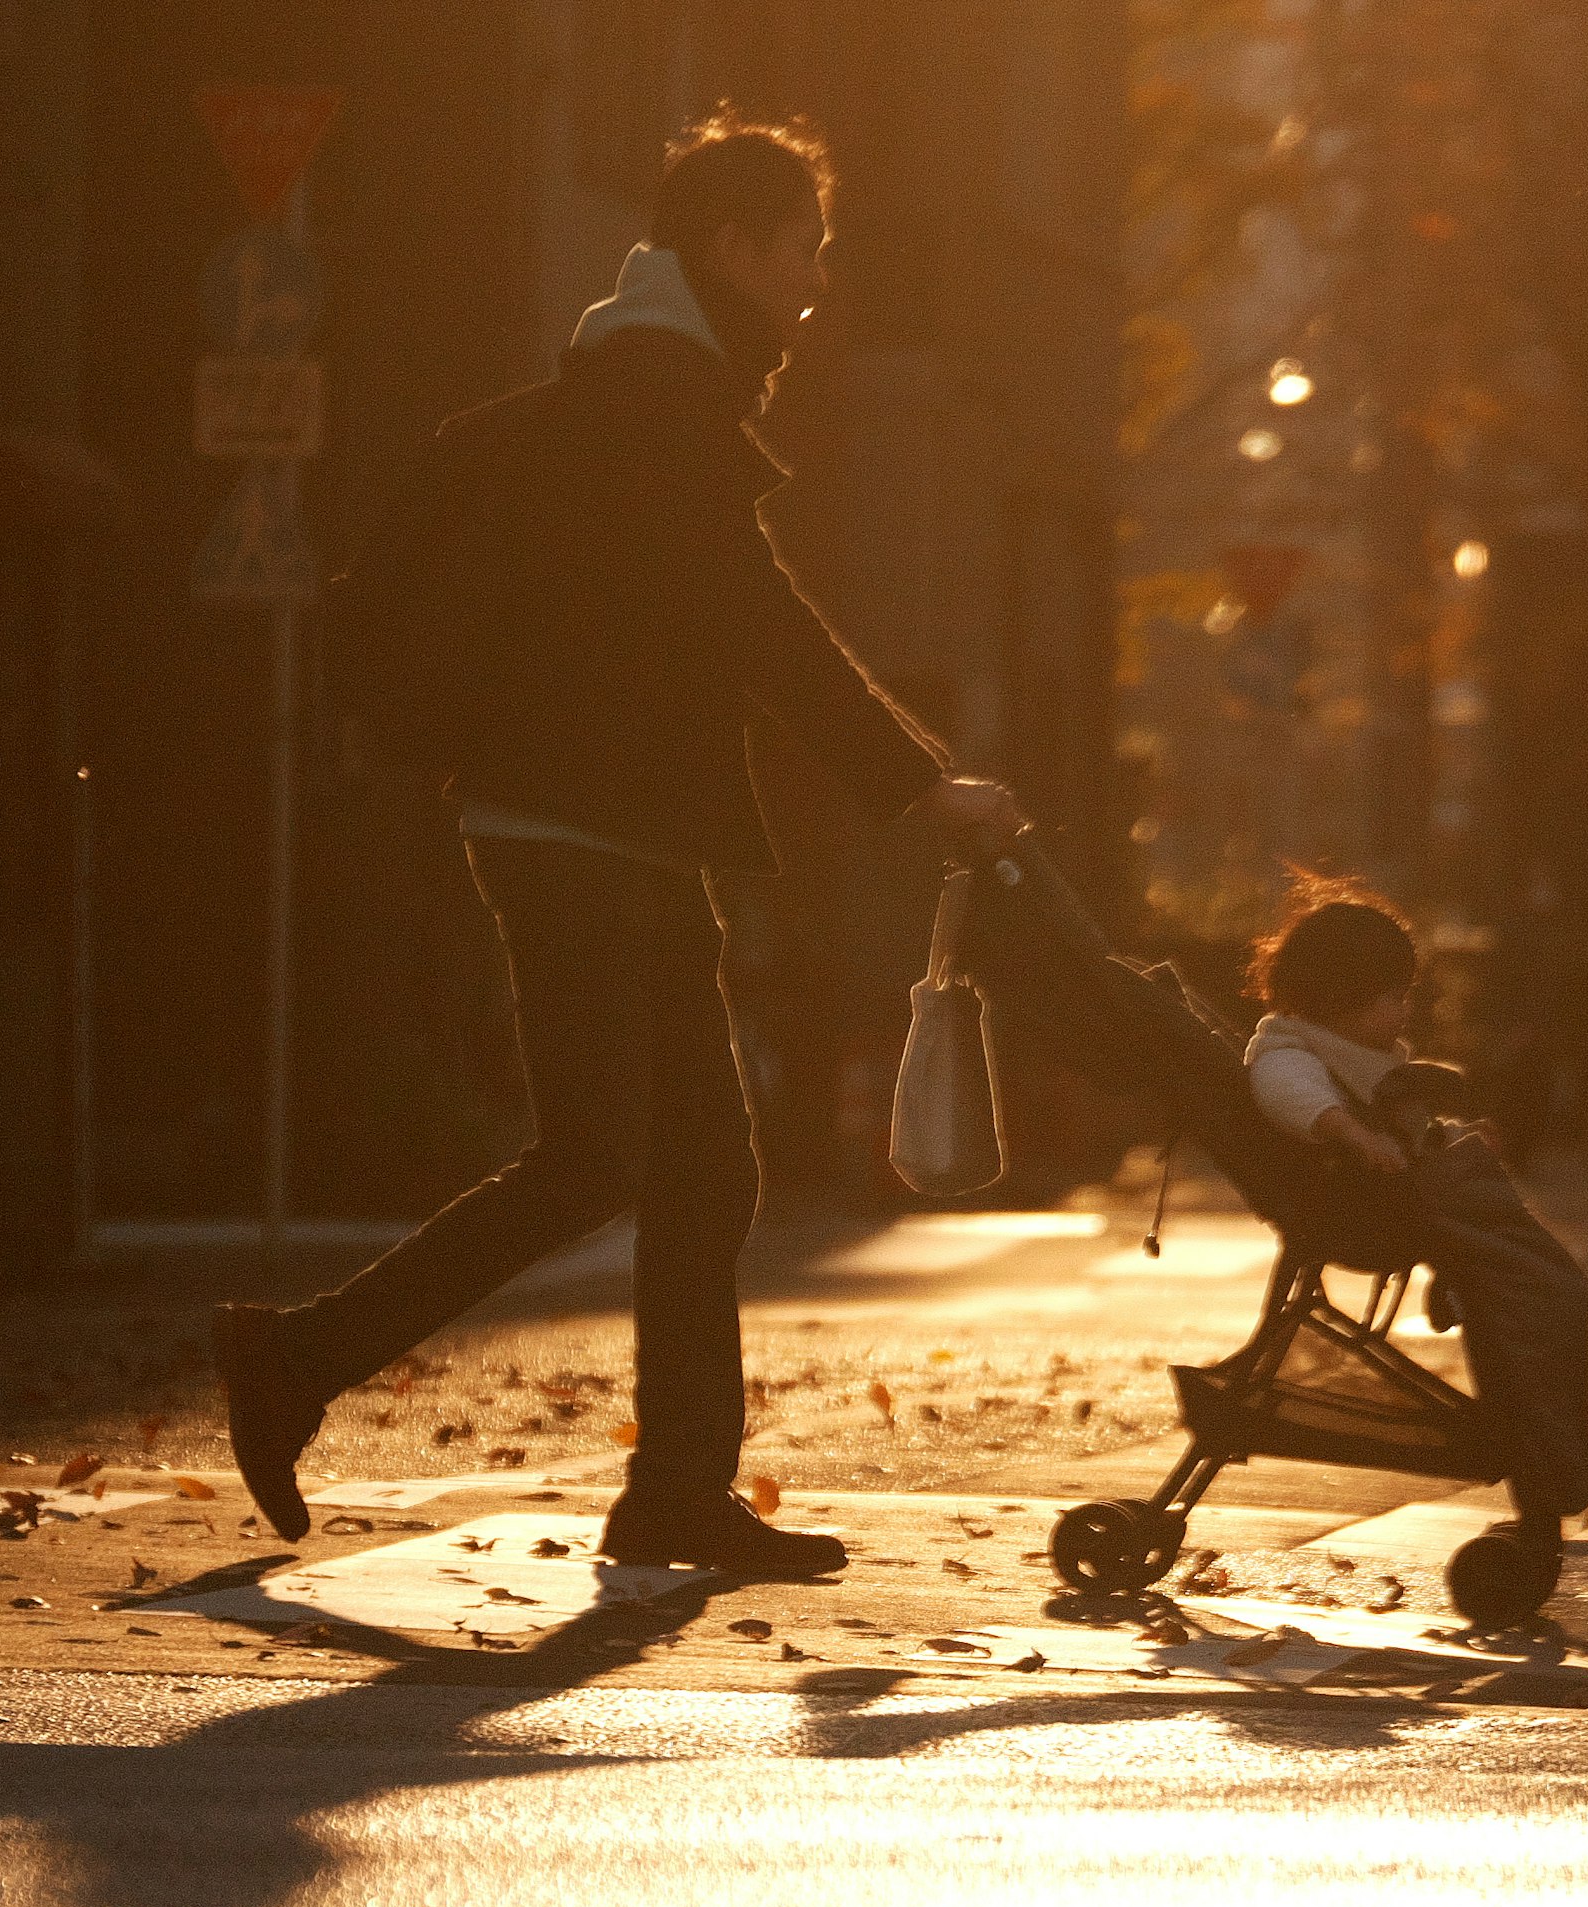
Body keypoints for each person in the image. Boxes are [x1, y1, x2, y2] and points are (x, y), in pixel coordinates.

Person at [216, 115, 1025, 1577]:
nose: (814, 282)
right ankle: (295, 1361)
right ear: (729, 247)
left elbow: (728, 623)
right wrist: (923, 787)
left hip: (631, 835)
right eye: (800, 250)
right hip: (574, 830)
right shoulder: (661, 406)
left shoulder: (654, 390)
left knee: (708, 1167)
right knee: (599, 1155)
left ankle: (675, 1492)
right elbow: (758, 623)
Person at [1241, 885, 1588, 1564]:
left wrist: (1462, 1136)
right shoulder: (1291, 1053)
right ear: (1339, 999)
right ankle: (1548, 1470)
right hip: (1393, 1213)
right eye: (1392, 996)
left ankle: (1548, 1470)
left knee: (1556, 1297)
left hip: (1422, 1205)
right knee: (1545, 1298)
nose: (1404, 1009)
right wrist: (1348, 1132)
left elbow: (1404, 1127)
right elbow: (1291, 1095)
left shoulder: (1352, 1056)